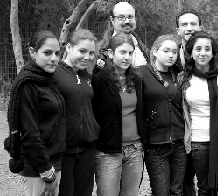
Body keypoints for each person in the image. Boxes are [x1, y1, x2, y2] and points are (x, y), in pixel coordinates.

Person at [176, 9, 218, 195]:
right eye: (198, 49)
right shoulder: (183, 79)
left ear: (213, 52)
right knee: (204, 188)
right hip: (198, 141)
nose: (203, 53)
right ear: (191, 52)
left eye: (207, 49)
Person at [4, 30, 65, 196]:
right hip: (38, 167)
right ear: (32, 52)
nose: (54, 58)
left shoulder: (46, 79)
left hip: (53, 160)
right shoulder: (27, 84)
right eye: (47, 53)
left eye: (57, 53)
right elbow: (29, 133)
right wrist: (47, 173)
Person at [91, 33, 146, 195]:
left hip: (135, 150)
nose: (127, 57)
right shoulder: (98, 80)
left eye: (130, 53)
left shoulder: (137, 79)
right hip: (108, 152)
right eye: (122, 52)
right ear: (110, 53)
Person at [53, 29, 100, 196]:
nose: (87, 57)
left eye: (91, 53)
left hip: (87, 148)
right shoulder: (54, 73)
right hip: (63, 150)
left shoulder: (87, 76)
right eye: (82, 51)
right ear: (68, 48)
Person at [140, 34, 186, 196]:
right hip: (156, 145)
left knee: (177, 191)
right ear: (154, 52)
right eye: (166, 51)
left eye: (174, 52)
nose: (170, 55)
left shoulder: (178, 75)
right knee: (161, 192)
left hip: (179, 143)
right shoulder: (142, 73)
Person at [97, 2, 149, 67]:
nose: (127, 21)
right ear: (112, 20)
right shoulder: (99, 50)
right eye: (121, 17)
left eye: (130, 17)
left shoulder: (141, 46)